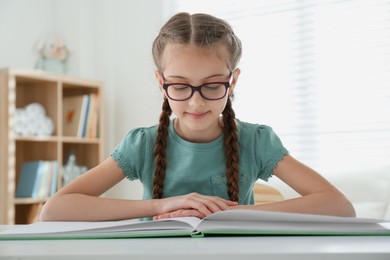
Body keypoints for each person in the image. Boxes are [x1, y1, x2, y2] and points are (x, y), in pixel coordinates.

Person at [39, 12, 355, 222]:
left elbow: (339, 206)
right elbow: (54, 211)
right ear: (160, 82)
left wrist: (238, 215)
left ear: (233, 81)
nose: (196, 101)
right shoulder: (143, 143)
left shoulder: (256, 141)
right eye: (180, 86)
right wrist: (162, 205)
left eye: (212, 85)